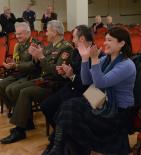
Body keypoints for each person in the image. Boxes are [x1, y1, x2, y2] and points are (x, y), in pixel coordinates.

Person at [45, 26, 136, 155]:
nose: (105, 43)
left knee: (71, 108)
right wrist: (85, 59)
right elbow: (86, 80)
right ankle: (58, 147)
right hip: (102, 101)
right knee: (68, 106)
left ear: (121, 43)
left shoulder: (127, 65)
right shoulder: (106, 60)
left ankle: (58, 148)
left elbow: (100, 82)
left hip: (119, 110)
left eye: (109, 40)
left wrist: (94, 59)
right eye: (105, 40)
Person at [0, 20, 74, 144]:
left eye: (47, 31)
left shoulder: (66, 47)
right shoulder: (50, 46)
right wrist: (35, 56)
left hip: (54, 85)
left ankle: (20, 130)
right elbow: (41, 65)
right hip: (43, 80)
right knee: (15, 89)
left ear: (55, 32)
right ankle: (26, 122)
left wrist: (40, 57)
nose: (45, 33)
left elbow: (56, 73)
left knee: (25, 92)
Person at [40, 25, 93, 155]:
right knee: (46, 105)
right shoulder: (76, 51)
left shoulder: (93, 53)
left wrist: (71, 75)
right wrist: (64, 73)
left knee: (61, 110)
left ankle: (59, 143)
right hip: (71, 87)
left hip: (85, 93)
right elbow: (72, 71)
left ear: (81, 39)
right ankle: (65, 139)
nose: (72, 40)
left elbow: (87, 84)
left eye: (74, 37)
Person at [0, 22, 40, 110]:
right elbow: (19, 61)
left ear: (28, 33)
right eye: (16, 34)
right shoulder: (19, 45)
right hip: (20, 73)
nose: (17, 36)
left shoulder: (35, 44)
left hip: (31, 75)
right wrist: (12, 63)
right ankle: (14, 108)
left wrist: (16, 65)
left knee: (11, 89)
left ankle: (20, 112)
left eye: (20, 34)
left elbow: (34, 65)